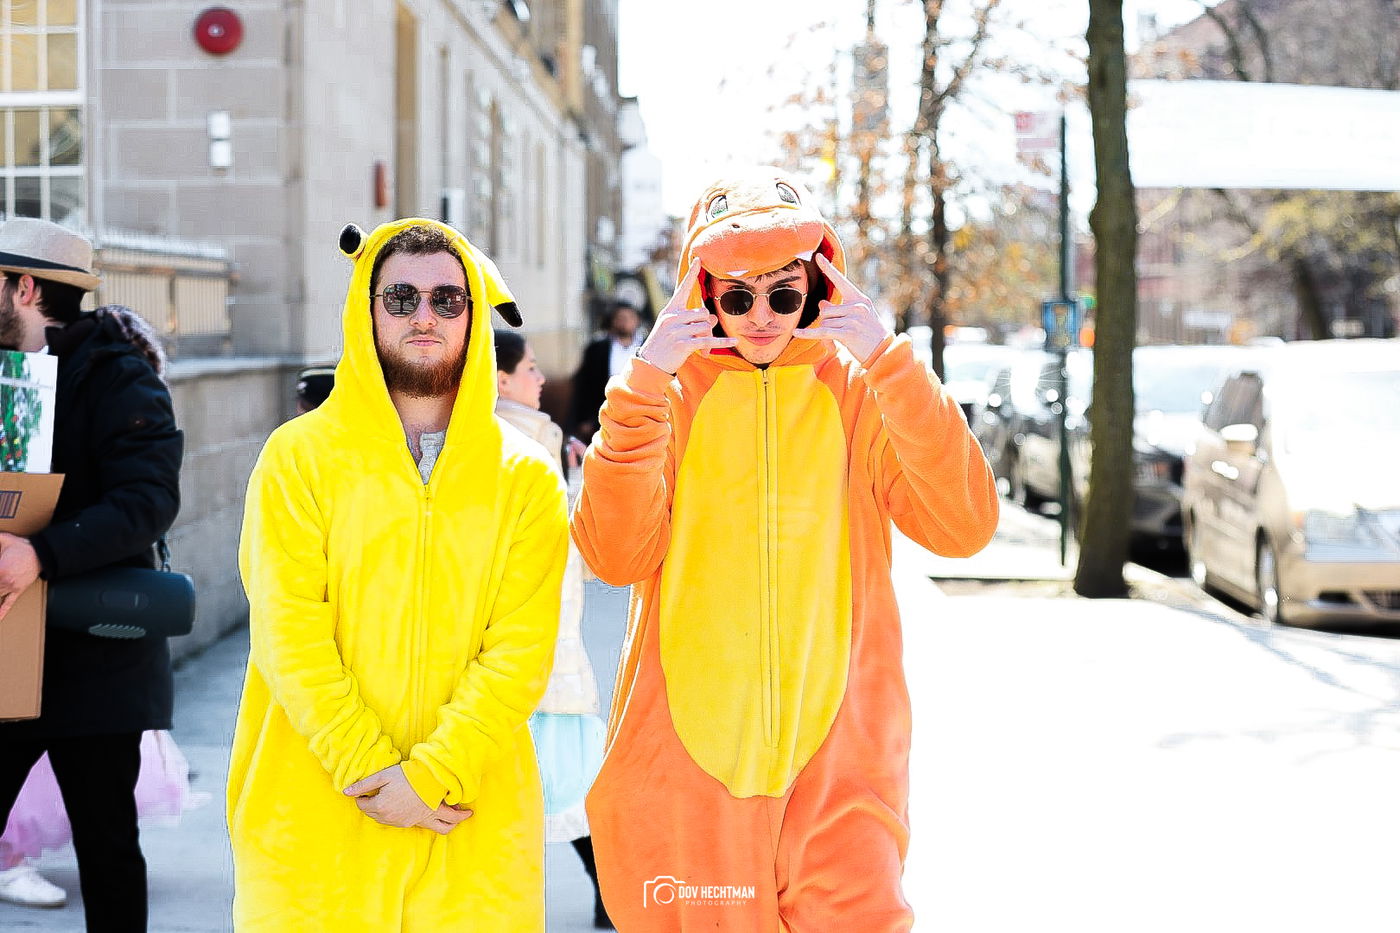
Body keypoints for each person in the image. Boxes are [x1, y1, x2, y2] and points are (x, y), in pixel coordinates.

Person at [571, 167, 1000, 930]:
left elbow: (962, 524)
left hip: (844, 766)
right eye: (737, 297)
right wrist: (643, 385)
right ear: (704, 296)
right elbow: (613, 554)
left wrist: (888, 358)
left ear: (819, 286)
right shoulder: (666, 400)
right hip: (691, 775)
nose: (762, 316)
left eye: (784, 293)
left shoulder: (861, 392)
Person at [230, 219, 568, 931]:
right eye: (402, 297)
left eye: (447, 299)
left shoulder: (527, 475)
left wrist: (429, 777)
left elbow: (520, 653)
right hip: (317, 821)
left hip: (467, 825)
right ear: (368, 308)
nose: (424, 315)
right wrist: (370, 771)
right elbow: (289, 633)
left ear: (472, 316)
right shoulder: (297, 458)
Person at [0, 218, 184, 932]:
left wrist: (41, 553)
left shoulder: (118, 377)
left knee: (107, 848)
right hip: (8, 650)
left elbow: (148, 501)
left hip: (95, 660)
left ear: (25, 288)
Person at [493, 328, 612, 929]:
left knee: (558, 793)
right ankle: (609, 901)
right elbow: (567, 554)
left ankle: (607, 900)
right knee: (565, 792)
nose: (541, 379)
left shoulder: (537, 440)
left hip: (544, 656)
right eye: (531, 368)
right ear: (501, 379)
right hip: (531, 659)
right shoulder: (513, 447)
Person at [569, 299, 643, 441]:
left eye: (629, 318)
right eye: (620, 318)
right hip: (604, 411)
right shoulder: (597, 348)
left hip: (638, 410)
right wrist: (584, 418)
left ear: (637, 320)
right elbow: (585, 385)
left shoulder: (647, 346)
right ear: (613, 321)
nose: (625, 322)